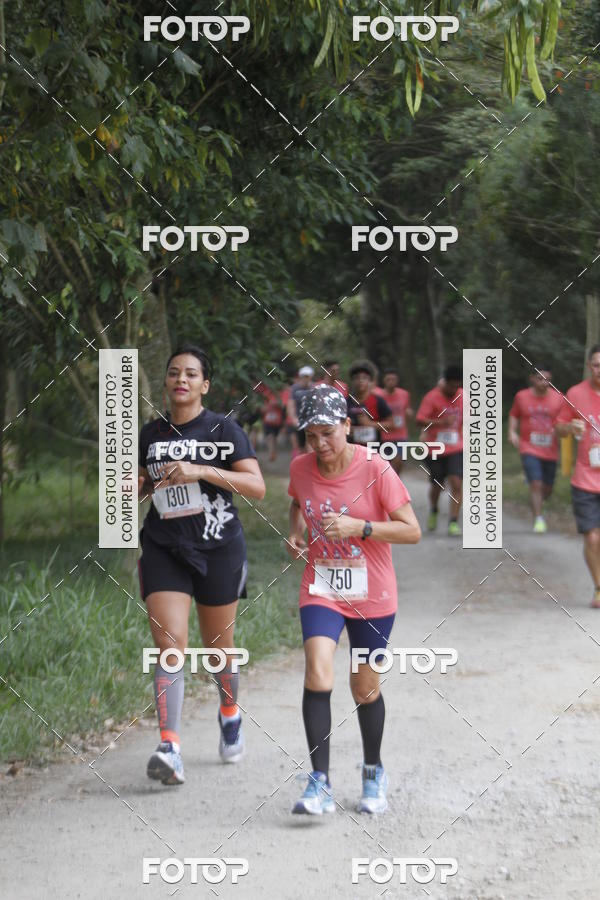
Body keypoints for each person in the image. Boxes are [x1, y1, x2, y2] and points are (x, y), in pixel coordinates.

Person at [286, 385, 421, 815]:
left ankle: (373, 770)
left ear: (348, 425)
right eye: (311, 436)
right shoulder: (301, 467)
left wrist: (360, 527)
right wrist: (294, 534)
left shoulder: (376, 468)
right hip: (322, 586)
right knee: (317, 672)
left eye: (328, 433)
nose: (320, 445)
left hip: (372, 594)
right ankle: (319, 782)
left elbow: (411, 530)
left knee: (364, 687)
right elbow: (297, 502)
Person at [137, 345, 266, 784]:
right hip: (164, 547)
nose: (181, 380)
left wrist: (202, 471)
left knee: (218, 649)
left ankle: (229, 712)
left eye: (191, 374)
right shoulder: (149, 433)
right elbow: (134, 491)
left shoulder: (224, 430)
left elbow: (256, 486)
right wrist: (138, 483)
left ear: (204, 385)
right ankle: (170, 746)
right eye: (174, 373)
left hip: (217, 548)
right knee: (170, 645)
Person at [556, 345, 600, 607]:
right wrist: (569, 427)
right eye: (596, 365)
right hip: (585, 479)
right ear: (588, 366)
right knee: (592, 537)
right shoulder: (575, 393)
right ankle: (598, 587)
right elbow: (559, 430)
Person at [508, 369, 563, 533]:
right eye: (540, 379)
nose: (544, 383)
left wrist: (563, 429)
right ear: (532, 379)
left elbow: (565, 418)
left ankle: (537, 501)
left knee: (547, 488)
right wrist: (511, 431)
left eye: (547, 379)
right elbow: (514, 414)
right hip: (528, 447)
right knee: (536, 483)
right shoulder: (521, 396)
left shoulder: (559, 397)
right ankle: (538, 519)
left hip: (550, 449)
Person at [416, 365, 463, 536]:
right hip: (434, 448)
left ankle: (453, 521)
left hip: (456, 447)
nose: (453, 389)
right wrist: (440, 423)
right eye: (450, 385)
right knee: (438, 484)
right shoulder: (432, 397)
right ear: (445, 383)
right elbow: (419, 420)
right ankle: (434, 509)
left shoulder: (463, 396)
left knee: (457, 482)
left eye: (456, 386)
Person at [374, 370, 413, 473]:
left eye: (393, 379)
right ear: (384, 381)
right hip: (383, 436)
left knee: (397, 463)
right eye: (388, 379)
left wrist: (409, 413)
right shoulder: (378, 395)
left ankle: (394, 486)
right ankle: (386, 486)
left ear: (397, 380)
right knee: (384, 468)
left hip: (400, 435)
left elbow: (407, 410)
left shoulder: (404, 394)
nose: (391, 382)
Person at [347, 359, 393, 447]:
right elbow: (337, 425)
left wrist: (370, 424)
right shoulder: (345, 402)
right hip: (351, 450)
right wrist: (347, 429)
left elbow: (391, 424)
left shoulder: (378, 401)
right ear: (352, 381)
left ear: (370, 381)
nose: (360, 381)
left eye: (364, 378)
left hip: (374, 449)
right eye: (357, 378)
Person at [287, 366, 315, 454]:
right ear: (301, 377)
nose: (306, 378)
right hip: (299, 421)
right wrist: (294, 419)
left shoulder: (314, 388)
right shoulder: (295, 389)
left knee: (310, 446)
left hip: (311, 421)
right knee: (300, 448)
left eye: (308, 376)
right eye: (304, 376)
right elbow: (291, 405)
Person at [257, 383, 285, 462]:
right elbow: (261, 408)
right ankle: (271, 452)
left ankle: (273, 450)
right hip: (267, 420)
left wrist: (276, 404)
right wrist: (265, 408)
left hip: (277, 420)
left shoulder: (280, 394)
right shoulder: (265, 394)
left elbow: (283, 405)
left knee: (274, 437)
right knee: (270, 436)